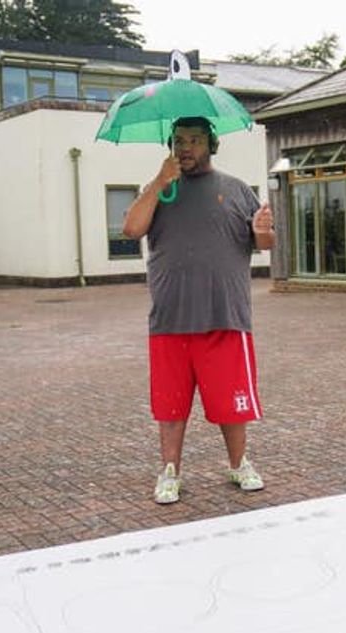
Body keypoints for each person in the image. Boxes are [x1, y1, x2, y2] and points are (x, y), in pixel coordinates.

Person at [123, 116, 275, 504]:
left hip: (225, 317)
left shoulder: (236, 189)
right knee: (170, 405)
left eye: (194, 140)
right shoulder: (160, 192)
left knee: (232, 404)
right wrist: (159, 183)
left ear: (211, 144)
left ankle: (239, 464)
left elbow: (265, 242)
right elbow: (132, 229)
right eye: (178, 141)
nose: (185, 147)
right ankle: (169, 472)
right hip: (170, 319)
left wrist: (263, 230)